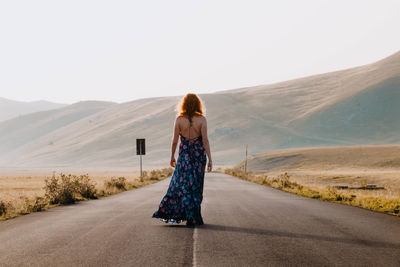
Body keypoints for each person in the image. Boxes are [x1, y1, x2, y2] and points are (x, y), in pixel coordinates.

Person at [152, 93, 212, 226]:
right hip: (198, 157)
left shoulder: (179, 120)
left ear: (183, 104)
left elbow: (174, 141)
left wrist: (172, 156)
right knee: (196, 186)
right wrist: (210, 159)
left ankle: (187, 214)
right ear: (198, 104)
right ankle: (195, 215)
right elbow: (205, 140)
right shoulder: (202, 119)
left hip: (184, 157)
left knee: (182, 185)